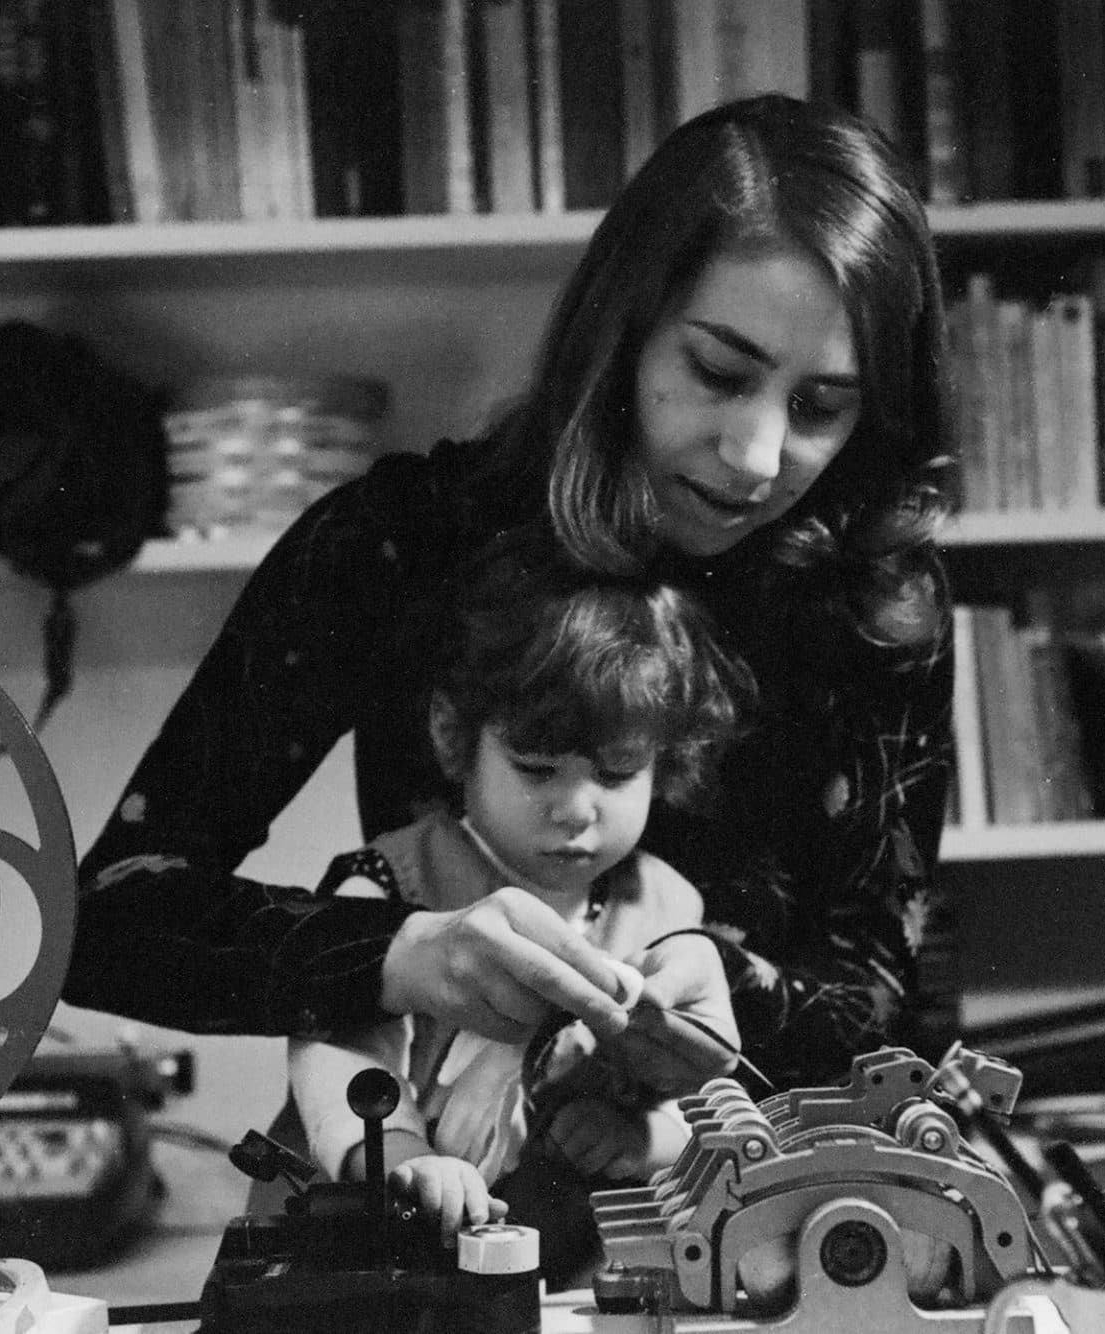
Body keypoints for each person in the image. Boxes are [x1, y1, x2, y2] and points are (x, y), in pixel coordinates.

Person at [64, 92, 959, 1100]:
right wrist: (405, 954)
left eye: (821, 406)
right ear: (619, 334)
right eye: (716, 371)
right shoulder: (396, 544)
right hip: (456, 1172)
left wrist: (732, 989)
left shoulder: (877, 598)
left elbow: (880, 988)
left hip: (754, 1179)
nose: (755, 456)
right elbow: (107, 919)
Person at [287, 530, 751, 1267]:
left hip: (566, 1263)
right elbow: (333, 1052)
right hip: (382, 1243)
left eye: (618, 773)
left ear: (665, 763)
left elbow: (700, 1104)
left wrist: (642, 1138)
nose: (575, 810)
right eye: (537, 770)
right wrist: (404, 1154)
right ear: (455, 739)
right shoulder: (389, 884)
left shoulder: (668, 910)